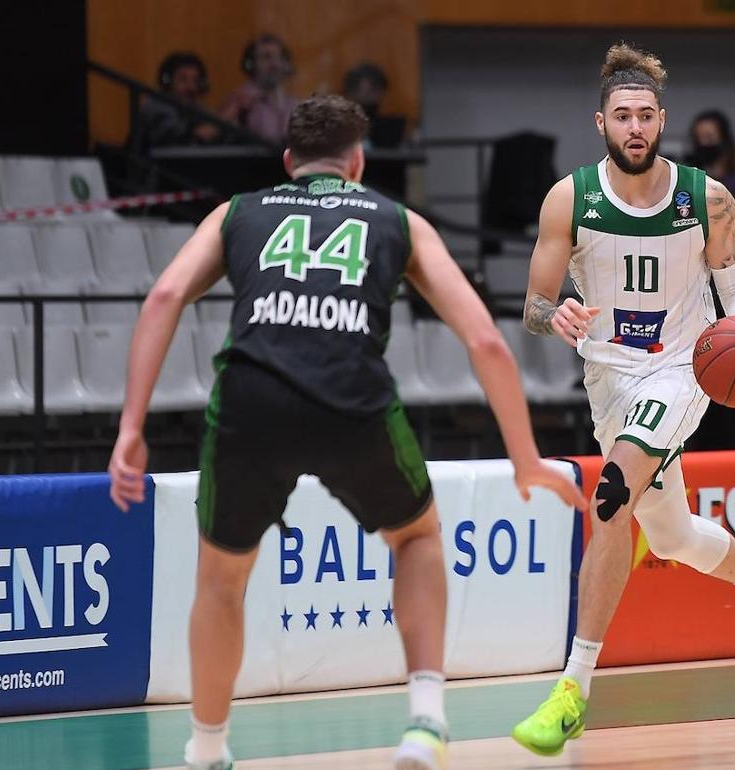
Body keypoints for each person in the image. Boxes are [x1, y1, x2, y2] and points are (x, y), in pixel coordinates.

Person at [107, 94, 584, 770]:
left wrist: (131, 426)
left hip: (252, 403)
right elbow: (485, 338)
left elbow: (161, 299)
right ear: (357, 163)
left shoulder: (237, 212)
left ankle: (208, 749)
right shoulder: (398, 219)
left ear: (287, 163)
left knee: (220, 582)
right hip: (350, 401)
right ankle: (424, 721)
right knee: (416, 537)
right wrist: (526, 457)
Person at [511, 44, 735, 757]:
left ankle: (573, 690)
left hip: (683, 370)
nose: (635, 126)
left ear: (662, 120)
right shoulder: (570, 197)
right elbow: (533, 301)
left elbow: (734, 288)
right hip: (608, 380)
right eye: (623, 116)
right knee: (671, 537)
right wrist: (554, 316)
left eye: (646, 115)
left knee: (610, 495)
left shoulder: (706, 199)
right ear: (602, 122)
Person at [686, 109, 735, 247]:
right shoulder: (690, 181)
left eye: (709, 137)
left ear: (723, 139)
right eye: (698, 138)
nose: (703, 144)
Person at [219, 34, 298, 143]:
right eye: (267, 57)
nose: (274, 64)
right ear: (251, 64)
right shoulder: (240, 99)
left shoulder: (291, 103)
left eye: (279, 57)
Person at [135, 51, 220, 150]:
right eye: (183, 80)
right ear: (167, 82)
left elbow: (215, 124)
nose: (191, 87)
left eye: (195, 81)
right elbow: (177, 138)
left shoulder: (195, 108)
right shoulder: (155, 106)